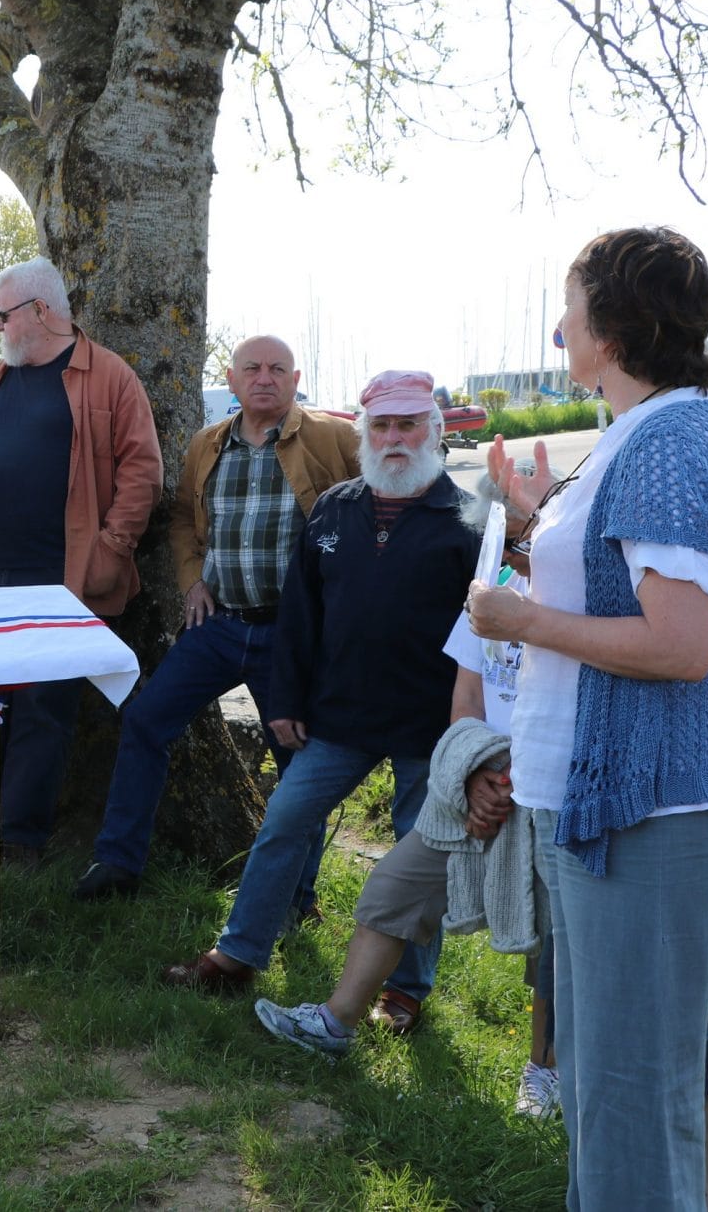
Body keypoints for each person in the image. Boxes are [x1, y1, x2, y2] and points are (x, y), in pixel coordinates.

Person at [468, 226, 708, 1209]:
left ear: (615, 326)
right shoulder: (646, 433)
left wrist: (520, 618)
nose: (560, 330)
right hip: (610, 804)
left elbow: (683, 644)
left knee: (627, 1094)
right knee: (605, 1086)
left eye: (571, 308)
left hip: (648, 811)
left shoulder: (668, 443)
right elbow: (617, 585)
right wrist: (531, 527)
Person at [163, 369, 478, 1035]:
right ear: (364, 433)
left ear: (434, 430)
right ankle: (239, 953)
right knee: (283, 819)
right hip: (340, 716)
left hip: (431, 724)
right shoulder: (334, 508)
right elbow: (301, 617)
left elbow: (487, 640)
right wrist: (286, 699)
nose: (394, 438)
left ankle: (406, 989)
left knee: (419, 852)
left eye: (408, 424)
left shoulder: (468, 521)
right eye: (381, 426)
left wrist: (471, 733)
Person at [254, 465, 563, 1116]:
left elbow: (573, 707)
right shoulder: (493, 593)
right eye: (505, 533)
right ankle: (336, 1023)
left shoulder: (578, 604)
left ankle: (547, 1072)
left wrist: (509, 781)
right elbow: (467, 692)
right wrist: (475, 774)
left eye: (524, 533)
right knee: (392, 889)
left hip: (550, 792)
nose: (512, 547)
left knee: (554, 941)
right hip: (479, 778)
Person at [72, 334, 357, 898]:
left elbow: (376, 505)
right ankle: (118, 865)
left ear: (296, 380)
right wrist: (192, 580)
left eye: (278, 369)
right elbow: (183, 518)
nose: (264, 378)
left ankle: (297, 898)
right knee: (145, 720)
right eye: (252, 368)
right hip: (219, 626)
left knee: (297, 761)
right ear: (231, 380)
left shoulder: (333, 437)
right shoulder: (208, 444)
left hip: (292, 637)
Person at [0, 257, 162, 863]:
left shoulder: (108, 376)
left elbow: (142, 472)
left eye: (2, 316)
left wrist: (112, 549)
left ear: (40, 311)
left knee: (42, 708)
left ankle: (17, 842)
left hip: (58, 578)